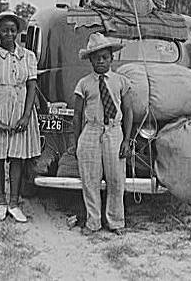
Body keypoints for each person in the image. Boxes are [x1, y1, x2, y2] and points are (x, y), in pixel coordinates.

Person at [0, 11, 41, 222]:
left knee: (17, 158)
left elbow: (32, 87)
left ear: (18, 32)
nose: (9, 34)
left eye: (12, 30)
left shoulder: (28, 56)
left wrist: (25, 116)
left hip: (21, 110)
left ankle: (14, 203)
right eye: (4, 30)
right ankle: (0, 201)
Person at [73, 32, 133, 236]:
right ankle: (93, 221)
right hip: (91, 131)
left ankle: (115, 221)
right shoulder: (84, 83)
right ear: (90, 60)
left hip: (114, 131)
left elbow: (129, 112)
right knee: (90, 179)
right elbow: (77, 115)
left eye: (105, 57)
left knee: (116, 179)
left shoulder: (121, 81)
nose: (101, 60)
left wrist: (127, 140)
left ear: (112, 58)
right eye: (96, 57)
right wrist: (77, 143)